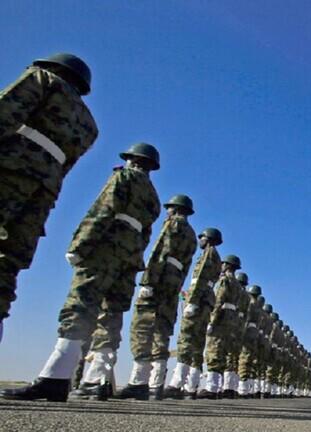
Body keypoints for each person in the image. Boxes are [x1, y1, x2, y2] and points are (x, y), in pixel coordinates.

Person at [1, 143, 160, 402]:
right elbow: (146, 235)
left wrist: (80, 244)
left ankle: (56, 375)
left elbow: (102, 210)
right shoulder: (153, 197)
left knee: (80, 305)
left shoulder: (124, 177)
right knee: (111, 315)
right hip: (129, 258)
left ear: (132, 160)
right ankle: (98, 380)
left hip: (105, 248)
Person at [0, 53, 98, 339]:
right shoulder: (88, 124)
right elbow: (67, 164)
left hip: (9, 170)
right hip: (43, 192)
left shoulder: (43, 79)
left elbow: (5, 112)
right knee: (7, 264)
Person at [117, 194, 197, 400]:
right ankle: (156, 383)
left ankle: (139, 380)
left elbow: (159, 253)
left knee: (142, 328)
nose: (167, 211)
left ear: (176, 209)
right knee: (163, 330)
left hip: (159, 280)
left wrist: (147, 281)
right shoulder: (192, 235)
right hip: (173, 285)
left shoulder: (173, 225)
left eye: (170, 208)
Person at [164, 228, 222, 399]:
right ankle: (191, 386)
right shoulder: (216, 257)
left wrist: (192, 301)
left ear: (208, 239)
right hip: (206, 302)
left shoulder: (208, 254)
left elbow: (200, 279)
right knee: (197, 343)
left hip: (199, 300)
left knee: (186, 340)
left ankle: (177, 384)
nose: (200, 240)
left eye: (202, 237)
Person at [198, 254, 242, 399]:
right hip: (231, 321)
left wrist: (211, 320)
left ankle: (211, 388)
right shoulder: (238, 286)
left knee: (214, 351)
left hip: (221, 319)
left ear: (227, 266)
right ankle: (218, 387)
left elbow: (218, 301)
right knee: (223, 353)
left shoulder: (225, 281)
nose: (221, 266)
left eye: (223, 264)